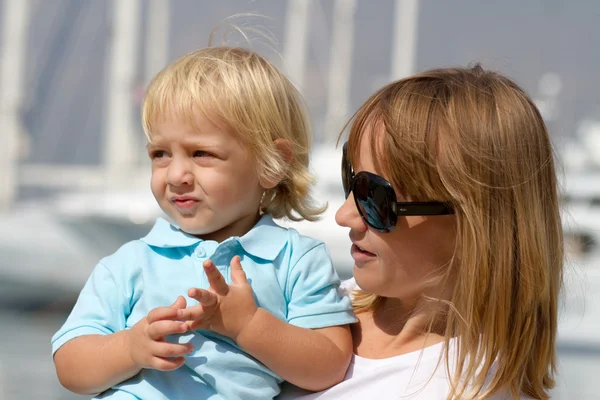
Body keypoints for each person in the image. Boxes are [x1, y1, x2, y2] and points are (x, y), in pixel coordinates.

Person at [51, 46, 357, 399]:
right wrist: (129, 348)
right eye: (160, 154)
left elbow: (331, 363)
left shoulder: (296, 260)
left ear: (271, 163)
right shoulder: (130, 263)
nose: (176, 174)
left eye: (201, 153)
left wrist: (249, 325)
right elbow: (70, 363)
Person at [279, 65, 563, 399]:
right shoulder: (311, 301)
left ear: (475, 224)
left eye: (375, 197)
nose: (345, 215)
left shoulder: (471, 391)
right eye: (351, 180)